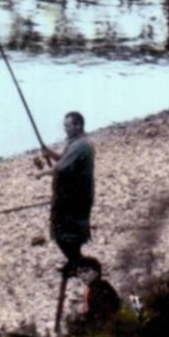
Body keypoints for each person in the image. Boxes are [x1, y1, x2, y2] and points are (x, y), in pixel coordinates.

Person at [46, 111, 99, 276]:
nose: (65, 129)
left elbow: (61, 168)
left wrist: (41, 173)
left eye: (68, 126)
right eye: (64, 126)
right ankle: (74, 261)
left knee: (63, 232)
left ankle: (77, 262)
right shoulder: (78, 142)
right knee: (69, 231)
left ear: (78, 125)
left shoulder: (81, 145)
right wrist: (49, 153)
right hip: (75, 196)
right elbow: (63, 160)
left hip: (75, 197)